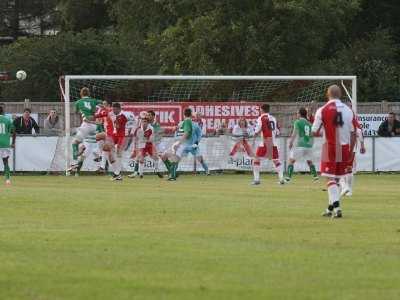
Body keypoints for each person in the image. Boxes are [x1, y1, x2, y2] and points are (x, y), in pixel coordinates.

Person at [312, 85, 356, 218]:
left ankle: (337, 208)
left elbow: (314, 131)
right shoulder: (349, 110)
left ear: (327, 94)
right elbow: (353, 133)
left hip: (330, 146)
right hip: (344, 147)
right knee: (335, 180)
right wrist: (350, 151)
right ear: (341, 94)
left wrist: (323, 133)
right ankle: (330, 208)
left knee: (329, 178)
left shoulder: (322, 110)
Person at [69, 87, 102, 172]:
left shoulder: (78, 102)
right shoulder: (94, 100)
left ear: (81, 94)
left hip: (86, 124)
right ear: (89, 93)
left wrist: (82, 111)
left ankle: (74, 163)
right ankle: (99, 165)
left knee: (74, 143)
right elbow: (102, 104)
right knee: (94, 145)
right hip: (95, 125)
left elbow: (76, 112)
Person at [252, 104, 285, 185]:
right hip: (273, 142)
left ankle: (256, 180)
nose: (260, 111)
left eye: (260, 110)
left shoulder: (261, 118)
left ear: (262, 110)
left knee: (256, 160)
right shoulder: (273, 118)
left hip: (264, 143)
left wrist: (254, 134)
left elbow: (257, 130)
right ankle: (281, 179)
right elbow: (277, 132)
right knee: (276, 161)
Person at [95, 102, 128, 181]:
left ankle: (116, 173)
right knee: (107, 151)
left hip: (121, 136)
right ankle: (104, 167)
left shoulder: (122, 115)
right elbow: (98, 116)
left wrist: (114, 120)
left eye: (115, 109)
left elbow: (118, 126)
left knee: (118, 153)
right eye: (113, 109)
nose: (114, 111)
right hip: (113, 135)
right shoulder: (109, 113)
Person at [285, 107, 318, 182]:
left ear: (300, 114)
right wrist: (311, 144)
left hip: (300, 144)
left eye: (297, 113)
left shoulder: (298, 122)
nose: (297, 115)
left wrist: (291, 142)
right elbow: (312, 135)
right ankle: (315, 176)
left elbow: (294, 133)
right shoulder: (309, 123)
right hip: (309, 145)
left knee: (291, 161)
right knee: (309, 161)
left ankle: (288, 178)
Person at [162, 108, 194, 181]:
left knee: (174, 159)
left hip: (182, 143)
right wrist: (176, 128)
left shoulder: (188, 121)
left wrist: (179, 143)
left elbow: (186, 133)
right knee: (164, 156)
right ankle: (173, 173)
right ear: (191, 114)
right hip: (178, 142)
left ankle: (172, 177)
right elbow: (179, 128)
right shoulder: (184, 122)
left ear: (183, 113)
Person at [340, 117, 366, 197]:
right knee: (349, 169)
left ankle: (345, 187)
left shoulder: (342, 125)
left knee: (340, 169)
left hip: (343, 148)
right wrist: (362, 146)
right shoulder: (354, 126)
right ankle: (349, 190)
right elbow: (359, 132)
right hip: (352, 149)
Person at [0, 106, 16, 185]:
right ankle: (7, 179)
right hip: (5, 144)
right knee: (5, 162)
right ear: (3, 111)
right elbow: (14, 131)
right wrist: (13, 142)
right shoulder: (8, 120)